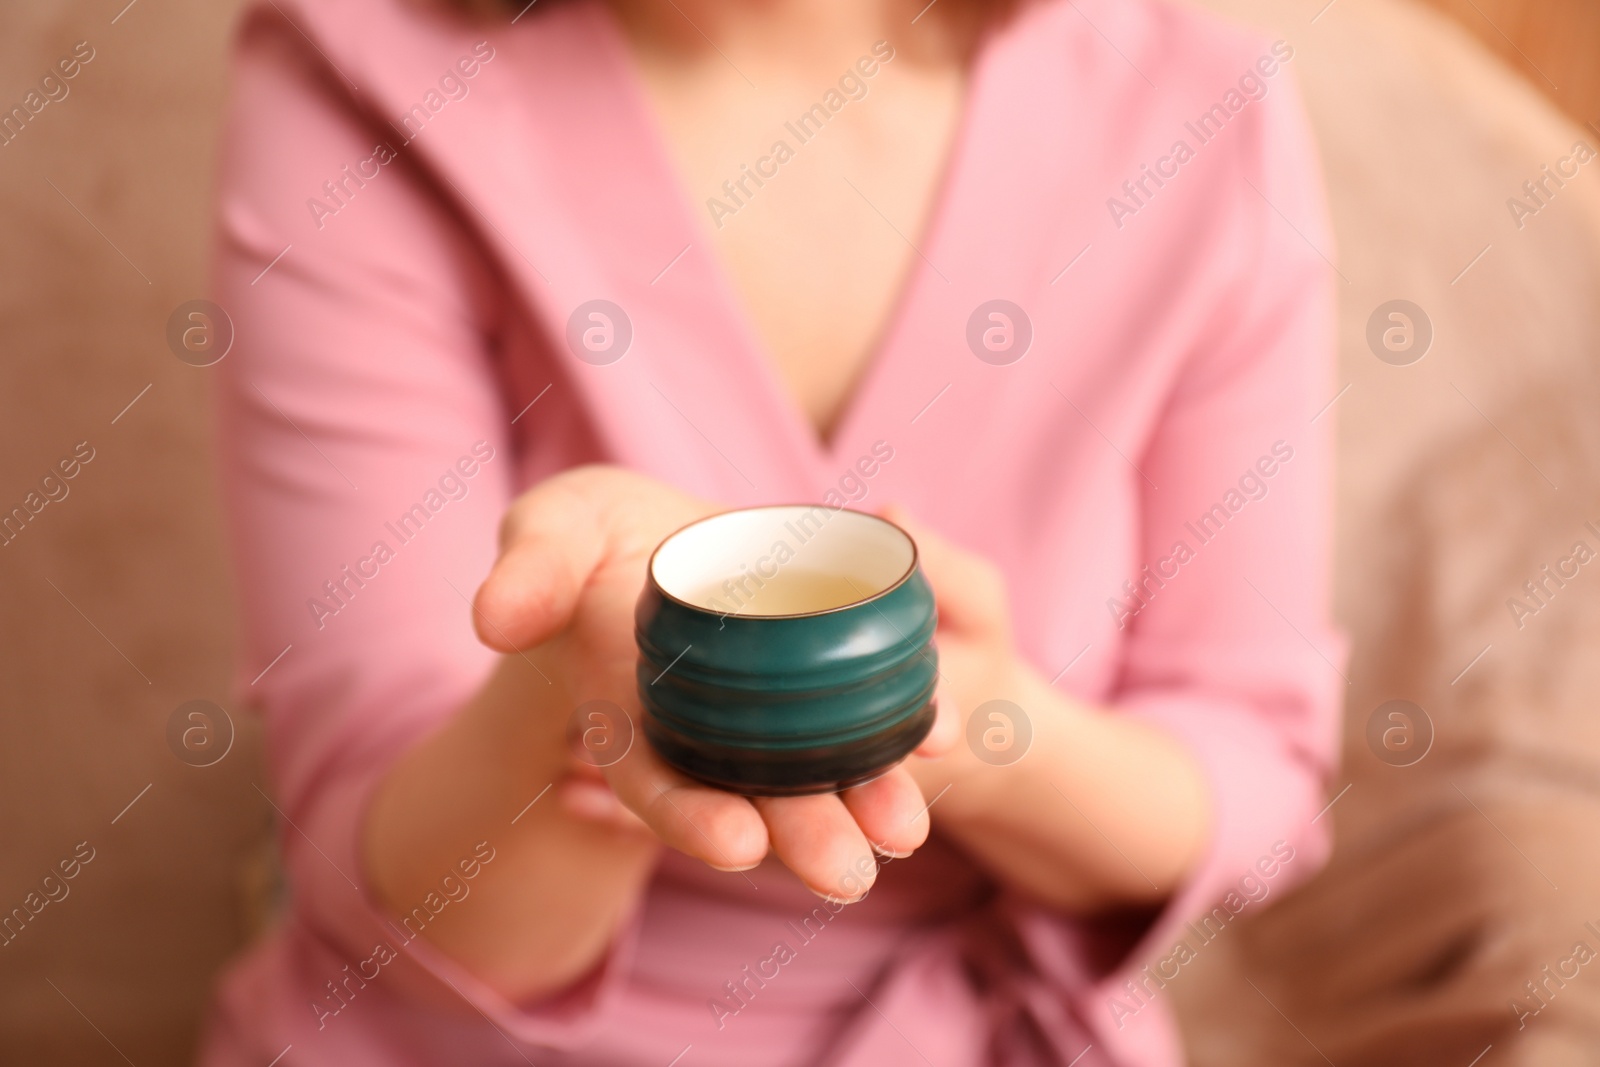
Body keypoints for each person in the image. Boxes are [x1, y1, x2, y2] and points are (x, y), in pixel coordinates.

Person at [201, 0, 1343, 1062]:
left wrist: (986, 733)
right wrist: (576, 705)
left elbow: (1254, 767)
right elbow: (395, 887)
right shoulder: (363, 75)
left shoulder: (1196, 104)